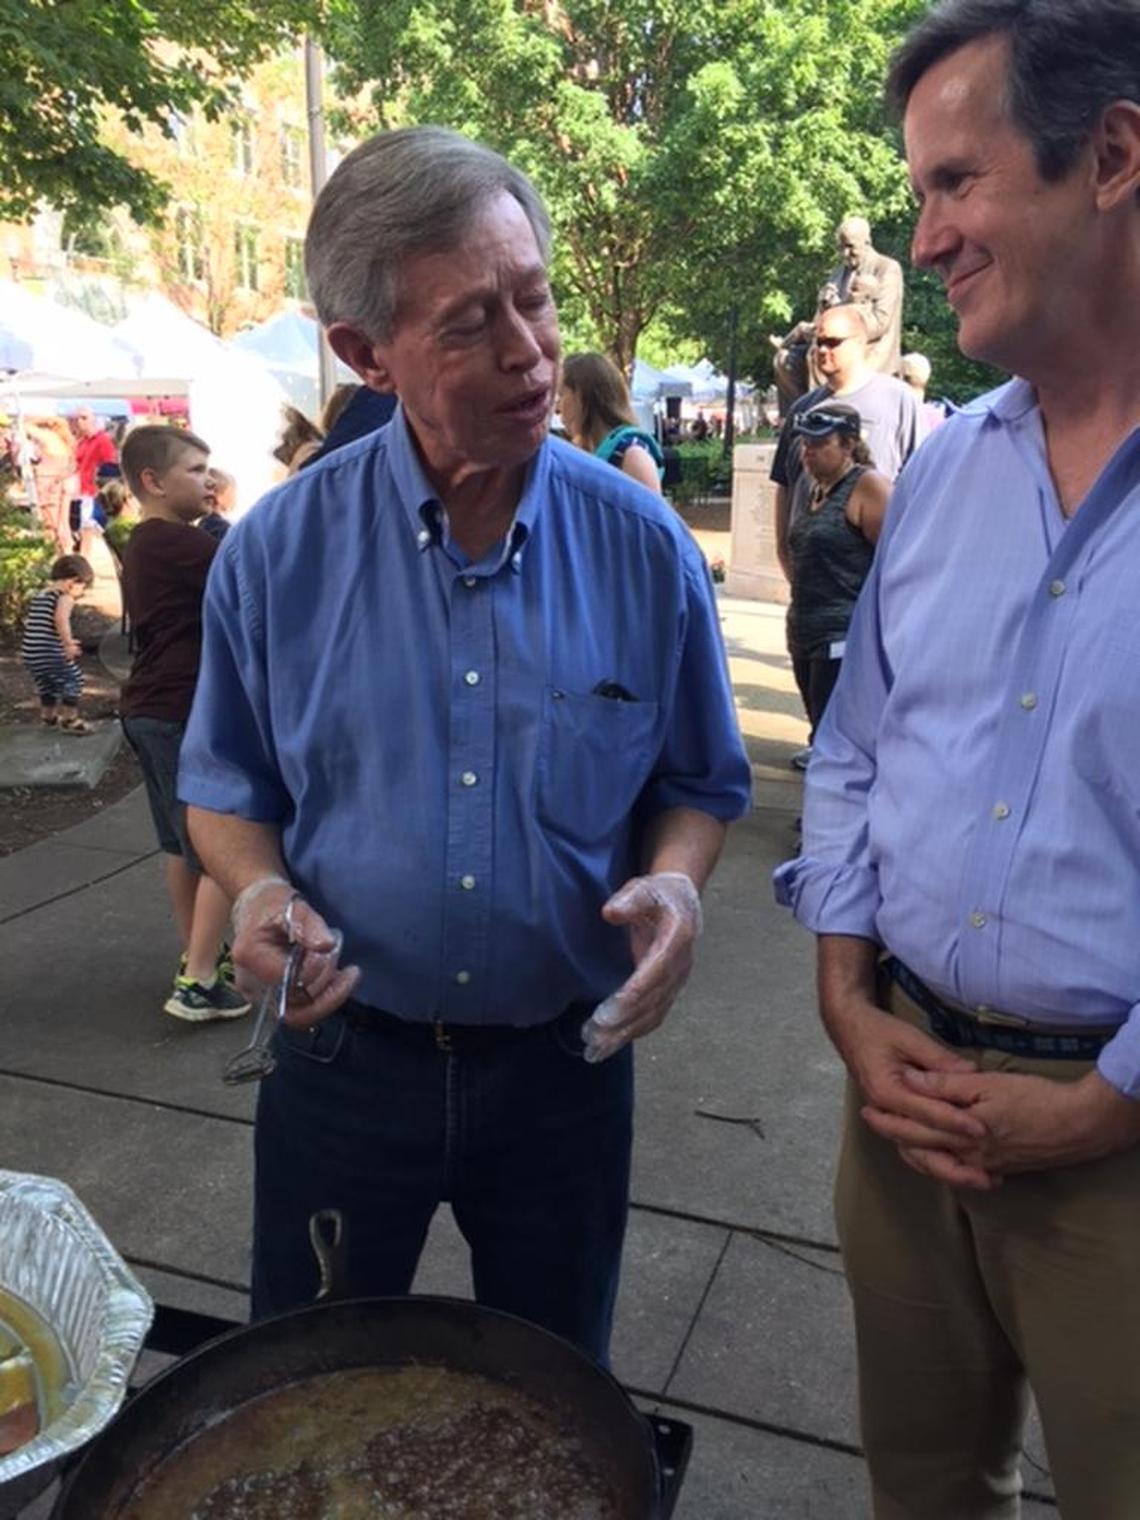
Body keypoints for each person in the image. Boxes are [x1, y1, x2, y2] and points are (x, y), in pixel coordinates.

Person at [178, 125, 751, 1362]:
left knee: (551, 1394)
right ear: (362, 353)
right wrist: (257, 885)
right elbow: (223, 787)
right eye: (469, 322)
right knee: (309, 1384)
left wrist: (675, 883)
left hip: (564, 1074)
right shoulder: (277, 557)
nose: (529, 353)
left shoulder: (644, 552)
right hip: (341, 1062)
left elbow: (698, 783)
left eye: (536, 299)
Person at [775, 3, 1140, 1515]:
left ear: (1113, 154)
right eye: (917, 194)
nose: (923, 240)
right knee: (922, 1484)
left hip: (1120, 1161)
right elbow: (858, 751)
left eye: (957, 182)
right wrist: (845, 993)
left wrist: (1115, 1098)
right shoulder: (935, 477)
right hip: (902, 1105)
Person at [118, 426, 251, 1025]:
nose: (209, 481)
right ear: (153, 481)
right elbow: (251, 565)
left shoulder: (154, 542)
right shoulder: (170, 542)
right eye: (196, 470)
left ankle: (200, 956)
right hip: (177, 708)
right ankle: (197, 979)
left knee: (183, 844)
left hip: (154, 707)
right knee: (223, 835)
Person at [771, 302, 920, 767]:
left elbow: (903, 538)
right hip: (809, 610)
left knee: (847, 728)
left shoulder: (896, 402)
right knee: (823, 719)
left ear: (862, 344)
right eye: (817, 340)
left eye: (833, 341)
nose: (821, 350)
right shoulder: (804, 409)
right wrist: (783, 548)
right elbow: (783, 483)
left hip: (852, 617)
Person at [783, 402, 890, 741]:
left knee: (835, 731)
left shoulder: (868, 486)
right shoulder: (814, 488)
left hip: (843, 632)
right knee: (819, 721)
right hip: (804, 627)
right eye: (805, 443)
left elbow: (896, 561)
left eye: (819, 443)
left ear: (847, 444)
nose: (808, 451)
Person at [558, 351, 664, 493]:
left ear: (582, 396)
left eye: (561, 394)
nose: (557, 407)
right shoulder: (583, 452)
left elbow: (652, 514)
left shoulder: (632, 455)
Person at [20, 554, 95, 734]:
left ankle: (48, 716)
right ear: (72, 581)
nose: (82, 591)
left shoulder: (40, 595)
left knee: (47, 684)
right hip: (49, 650)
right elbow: (61, 619)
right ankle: (69, 719)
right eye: (82, 586)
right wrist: (68, 643)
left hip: (30, 651)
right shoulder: (64, 597)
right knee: (73, 679)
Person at [824, 215, 905, 376]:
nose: (845, 254)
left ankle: (822, 401)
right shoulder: (838, 272)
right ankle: (802, 402)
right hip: (834, 343)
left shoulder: (887, 268)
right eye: (840, 248)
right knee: (786, 361)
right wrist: (824, 306)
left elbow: (881, 322)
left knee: (817, 358)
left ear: (867, 243)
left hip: (870, 350)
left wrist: (840, 328)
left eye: (850, 246)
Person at [23, 416, 76, 555]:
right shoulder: (63, 445)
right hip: (56, 490)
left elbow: (25, 425)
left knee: (51, 528)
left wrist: (38, 419)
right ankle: (64, 556)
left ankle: (57, 559)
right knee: (61, 525)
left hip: (47, 491)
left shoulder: (49, 438)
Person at [70, 407, 117, 557]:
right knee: (80, 525)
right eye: (77, 419)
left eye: (84, 418)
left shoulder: (102, 440)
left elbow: (110, 465)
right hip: (78, 489)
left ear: (93, 419)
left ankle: (85, 558)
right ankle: (82, 555)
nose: (79, 422)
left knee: (87, 525)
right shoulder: (81, 442)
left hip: (91, 490)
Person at [197, 469, 235, 542]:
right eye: (231, 493)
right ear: (218, 496)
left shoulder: (203, 524)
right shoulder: (221, 527)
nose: (234, 498)